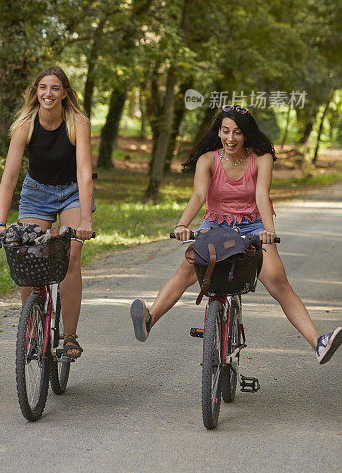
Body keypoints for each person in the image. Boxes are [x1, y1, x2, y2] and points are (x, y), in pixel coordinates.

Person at [130, 105, 341, 364]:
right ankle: (149, 318)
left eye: (237, 133)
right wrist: (181, 224)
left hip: (252, 226)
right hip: (215, 225)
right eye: (225, 131)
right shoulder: (208, 159)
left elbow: (261, 195)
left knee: (277, 279)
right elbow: (198, 195)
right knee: (189, 268)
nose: (231, 138)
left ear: (246, 134)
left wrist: (268, 230)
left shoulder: (261, 159)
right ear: (218, 132)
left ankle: (318, 342)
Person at [0, 66, 94, 359]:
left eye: (55, 88)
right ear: (36, 92)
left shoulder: (78, 122)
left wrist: (85, 220)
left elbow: (85, 173)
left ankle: (70, 337)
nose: (48, 94)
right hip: (37, 194)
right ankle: (34, 328)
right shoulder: (25, 125)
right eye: (43, 88)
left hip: (72, 192)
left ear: (64, 93)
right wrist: (0, 222)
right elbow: (9, 177)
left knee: (71, 257)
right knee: (28, 254)